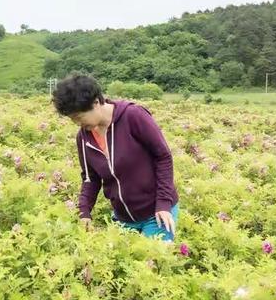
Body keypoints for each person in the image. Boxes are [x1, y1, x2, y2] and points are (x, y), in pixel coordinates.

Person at [52, 74, 180, 242]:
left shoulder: (133, 116)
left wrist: (163, 203)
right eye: (72, 119)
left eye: (79, 117)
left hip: (156, 212)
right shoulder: (83, 138)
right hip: (123, 218)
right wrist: (84, 211)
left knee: (150, 263)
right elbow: (91, 179)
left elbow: (163, 157)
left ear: (96, 103)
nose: (77, 123)